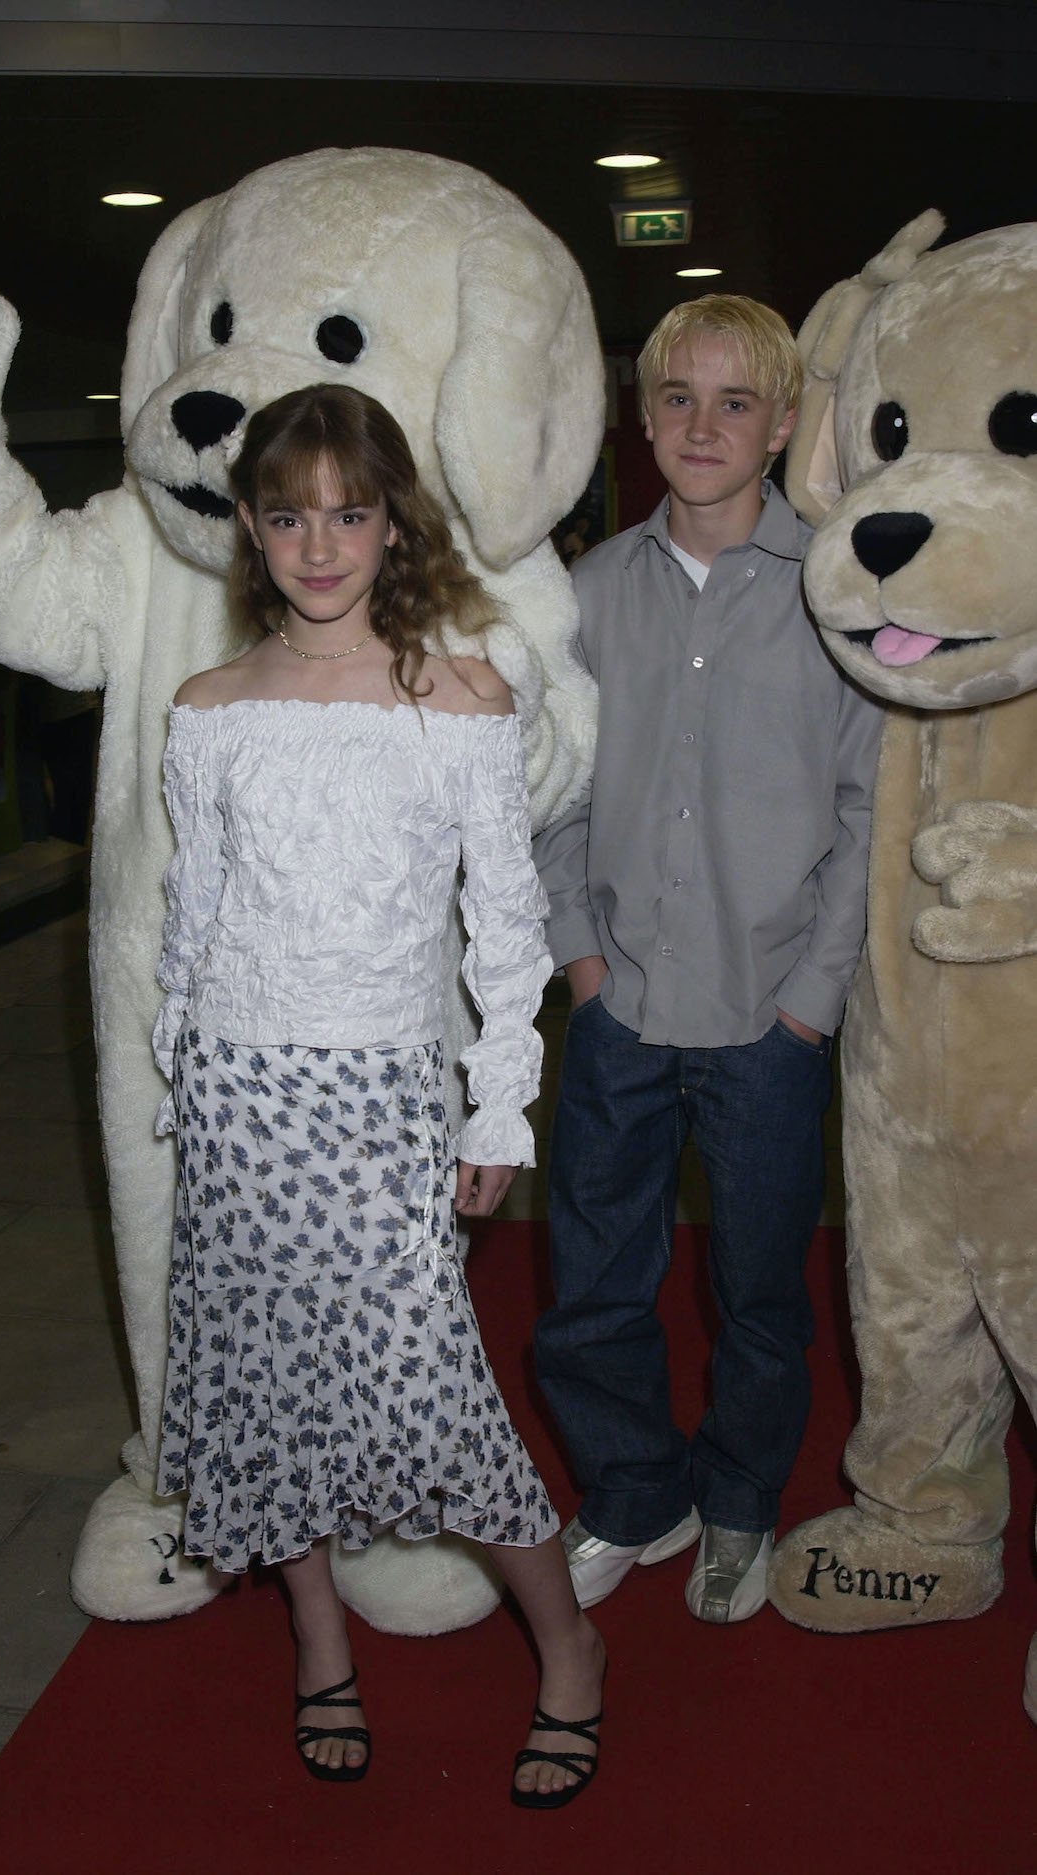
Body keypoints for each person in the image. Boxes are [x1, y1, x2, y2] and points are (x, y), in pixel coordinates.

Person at [152, 383, 605, 1805]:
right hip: (239, 1091)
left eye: (351, 512)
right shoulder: (209, 708)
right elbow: (195, 913)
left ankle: (570, 1643)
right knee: (266, 1383)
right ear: (250, 526)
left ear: (392, 517)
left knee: (440, 1391)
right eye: (290, 515)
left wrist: (495, 1106)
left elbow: (509, 932)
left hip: (385, 1098)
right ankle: (318, 1635)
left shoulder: (462, 693)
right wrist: (185, 1063)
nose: (322, 544)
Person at [533, 295, 883, 1626]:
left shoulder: (833, 594)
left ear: (785, 424)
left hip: (766, 1020)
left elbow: (865, 811)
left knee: (759, 1293)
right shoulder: (582, 594)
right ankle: (635, 1492)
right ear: (641, 409)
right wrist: (579, 964)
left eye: (736, 402)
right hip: (618, 1006)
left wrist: (810, 1005)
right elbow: (552, 796)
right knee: (589, 1288)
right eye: (678, 394)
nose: (702, 423)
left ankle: (740, 1495)